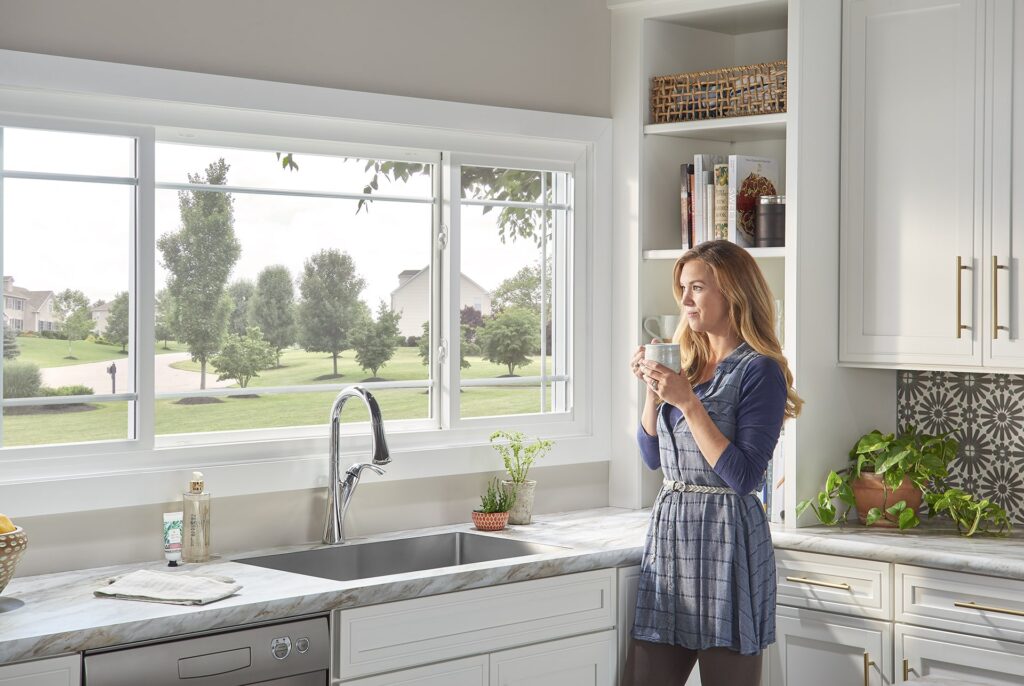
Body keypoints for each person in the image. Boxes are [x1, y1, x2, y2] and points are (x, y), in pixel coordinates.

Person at [623, 240, 802, 686]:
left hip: (728, 541)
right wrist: (653, 393)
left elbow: (744, 477)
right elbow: (652, 458)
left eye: (697, 288)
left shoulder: (761, 371)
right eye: (682, 288)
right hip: (672, 539)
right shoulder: (689, 363)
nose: (685, 300)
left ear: (733, 293)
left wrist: (687, 403)